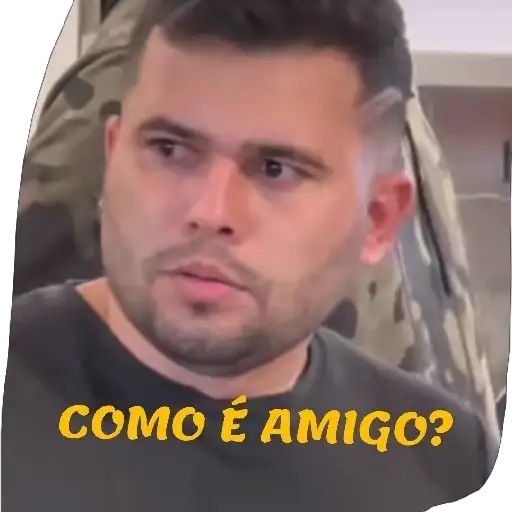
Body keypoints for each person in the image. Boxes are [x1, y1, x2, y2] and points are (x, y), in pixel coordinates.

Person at [5, 1, 497, 509]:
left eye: (275, 169)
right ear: (113, 157)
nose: (209, 210)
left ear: (376, 219)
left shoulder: (447, 461)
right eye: (170, 149)